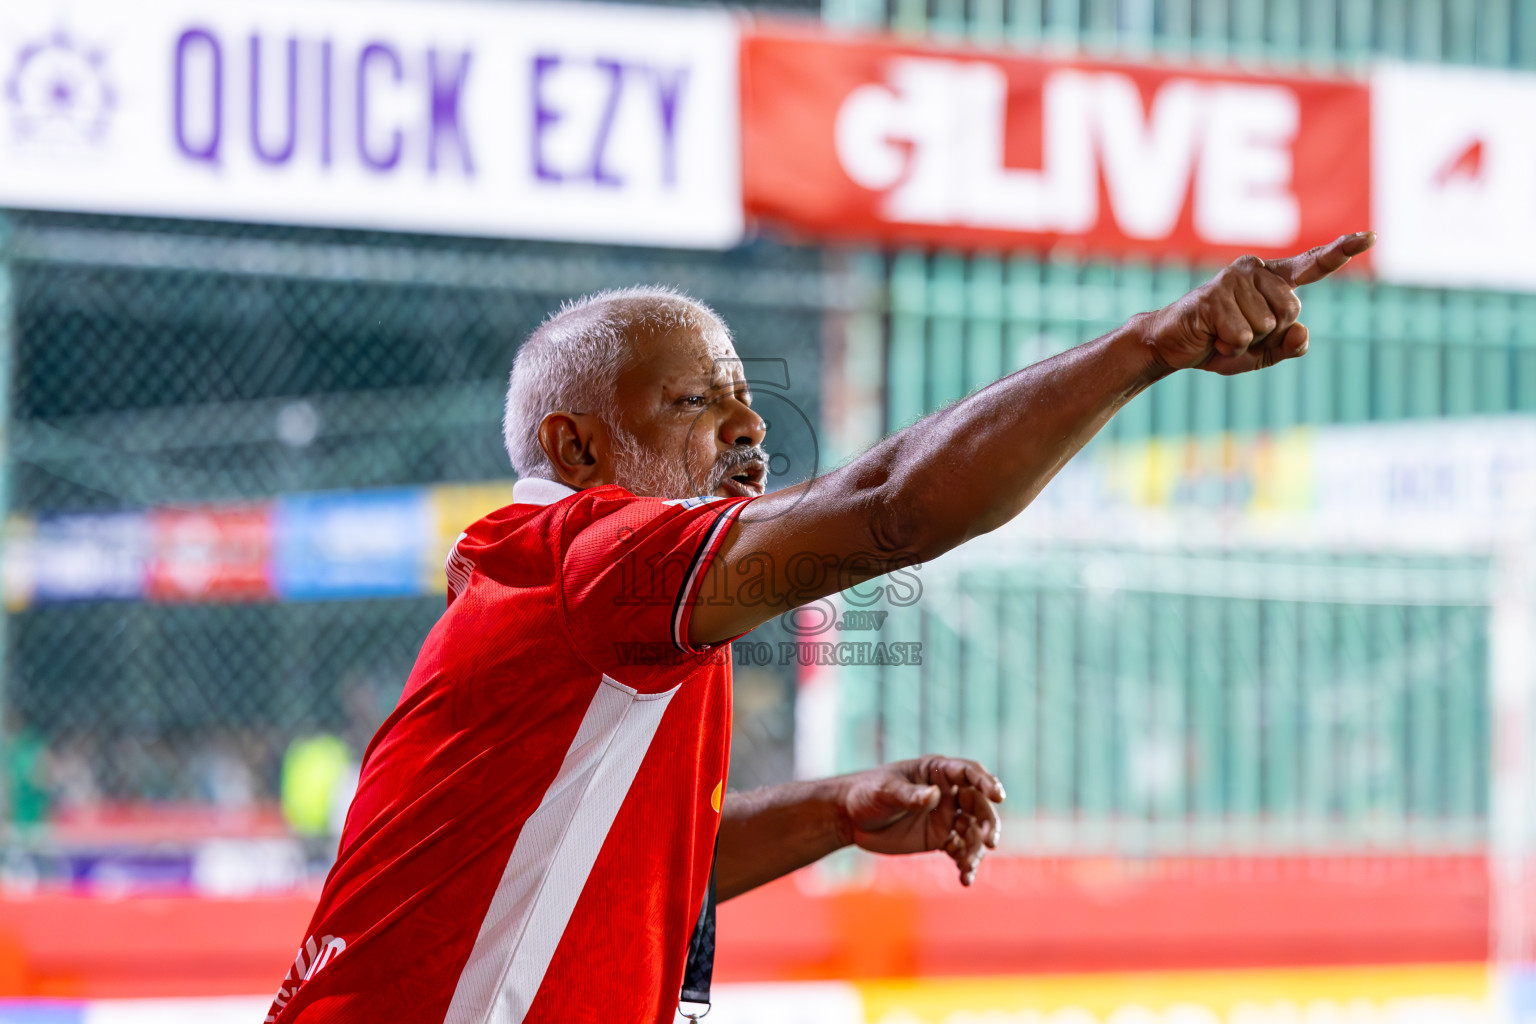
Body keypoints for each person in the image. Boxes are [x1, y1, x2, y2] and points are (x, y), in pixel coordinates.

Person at [268, 230, 1372, 1024]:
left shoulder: (579, 612)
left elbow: (649, 868)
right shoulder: (595, 563)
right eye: (697, 399)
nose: (750, 422)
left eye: (746, 391)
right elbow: (892, 509)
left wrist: (838, 809)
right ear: (579, 451)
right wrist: (1151, 344)